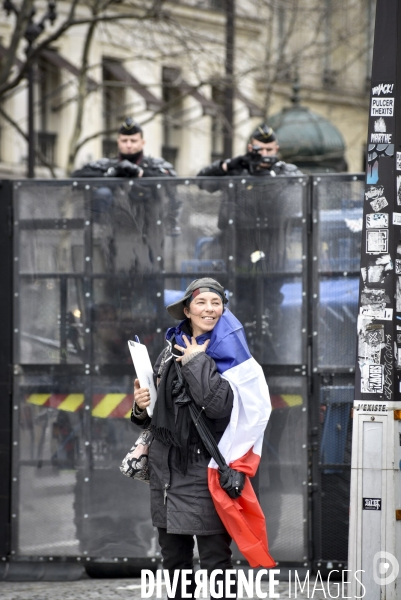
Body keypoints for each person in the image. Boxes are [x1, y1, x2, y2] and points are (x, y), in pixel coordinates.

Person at [132, 277, 274, 600]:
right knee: (176, 569)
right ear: (187, 309)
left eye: (216, 303)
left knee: (216, 566)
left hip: (204, 475)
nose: (209, 309)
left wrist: (197, 361)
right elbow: (157, 414)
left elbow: (220, 405)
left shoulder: (231, 355)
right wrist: (141, 406)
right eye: (201, 303)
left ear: (224, 309)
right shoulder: (170, 350)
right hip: (166, 478)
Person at [71, 117, 177, 178]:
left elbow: (173, 180)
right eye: (124, 141)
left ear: (142, 142)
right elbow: (77, 176)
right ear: (118, 142)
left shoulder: (156, 166)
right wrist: (113, 172)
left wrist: (142, 173)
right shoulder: (107, 165)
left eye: (133, 141)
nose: (129, 145)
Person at [197, 123, 302, 177]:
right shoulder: (237, 171)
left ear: (276, 149)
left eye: (269, 150)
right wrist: (226, 167)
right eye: (259, 149)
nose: (264, 154)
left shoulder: (287, 173)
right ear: (250, 148)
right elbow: (200, 182)